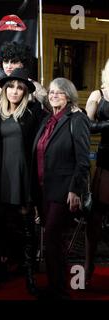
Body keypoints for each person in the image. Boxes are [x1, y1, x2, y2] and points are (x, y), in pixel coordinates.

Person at [0, 68, 45, 294]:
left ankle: (29, 275)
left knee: (26, 230)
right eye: (11, 87)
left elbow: (46, 108)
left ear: (26, 91)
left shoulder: (32, 114)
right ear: (5, 90)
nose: (15, 91)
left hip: (23, 179)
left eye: (20, 88)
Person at [31, 78, 90, 299]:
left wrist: (75, 190)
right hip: (44, 189)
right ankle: (56, 286)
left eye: (60, 92)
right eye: (52, 92)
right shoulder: (47, 120)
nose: (54, 95)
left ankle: (61, 290)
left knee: (54, 237)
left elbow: (83, 160)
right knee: (52, 240)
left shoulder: (77, 119)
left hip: (64, 191)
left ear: (69, 96)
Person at [84, 58, 109, 285]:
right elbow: (87, 126)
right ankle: (88, 268)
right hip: (106, 161)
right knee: (95, 218)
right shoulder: (97, 95)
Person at [0, 41, 47, 105]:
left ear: (23, 63)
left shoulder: (36, 87)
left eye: (14, 62)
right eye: (6, 62)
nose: (8, 66)